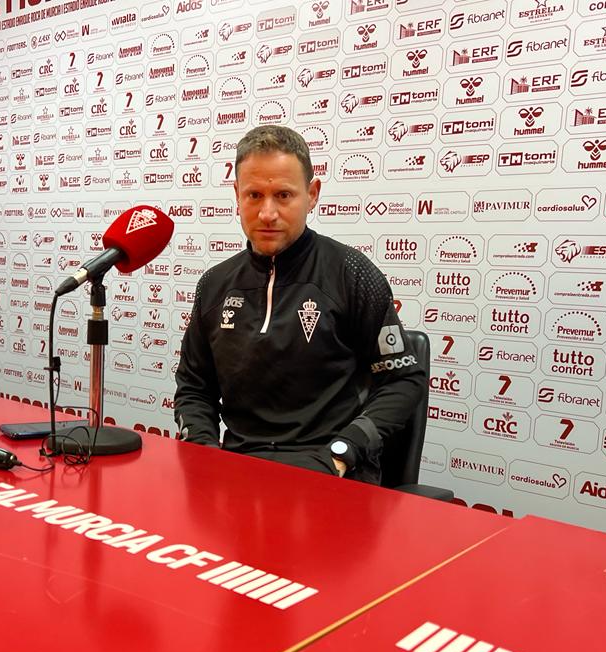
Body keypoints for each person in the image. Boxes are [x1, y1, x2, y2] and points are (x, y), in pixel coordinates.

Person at [173, 126, 425, 483]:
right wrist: (206, 452)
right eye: (254, 195)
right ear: (237, 196)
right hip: (239, 471)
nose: (267, 213)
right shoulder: (215, 285)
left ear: (312, 194)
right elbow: (194, 387)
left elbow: (404, 380)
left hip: (333, 471)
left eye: (284, 195)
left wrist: (345, 451)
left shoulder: (352, 274)